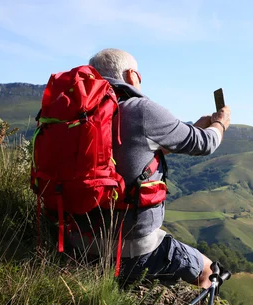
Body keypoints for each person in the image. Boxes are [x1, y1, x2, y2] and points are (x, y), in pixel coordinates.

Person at [68, 48, 230, 289]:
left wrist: (192, 128)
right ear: (132, 75)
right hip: (129, 249)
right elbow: (205, 143)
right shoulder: (140, 109)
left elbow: (135, 151)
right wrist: (220, 123)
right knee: (210, 273)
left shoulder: (74, 113)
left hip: (72, 240)